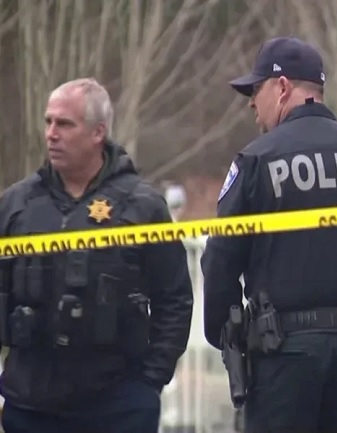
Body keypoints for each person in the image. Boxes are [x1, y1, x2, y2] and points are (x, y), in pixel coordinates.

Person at [201, 36, 337, 433]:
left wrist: (229, 334)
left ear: (282, 87)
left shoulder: (256, 160)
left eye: (256, 90)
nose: (251, 104)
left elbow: (220, 260)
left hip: (284, 357)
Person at [0, 78, 194, 433]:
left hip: (117, 407)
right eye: (48, 122)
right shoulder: (16, 205)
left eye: (65, 124)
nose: (51, 134)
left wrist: (151, 382)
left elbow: (174, 298)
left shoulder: (141, 206)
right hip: (29, 406)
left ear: (98, 133)